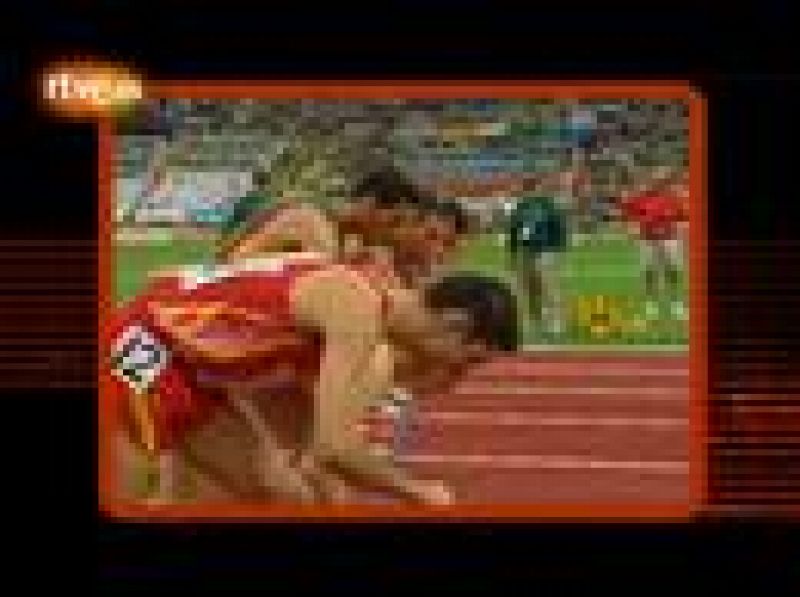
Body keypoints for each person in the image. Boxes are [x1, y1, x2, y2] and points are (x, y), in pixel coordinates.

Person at [109, 169, 512, 505]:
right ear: (453, 324)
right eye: (468, 359)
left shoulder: (361, 305)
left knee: (281, 493)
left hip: (194, 368)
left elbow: (309, 442)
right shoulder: (356, 307)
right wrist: (419, 492)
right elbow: (333, 447)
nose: (456, 372)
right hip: (146, 346)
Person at [616, 167, 688, 321]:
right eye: (656, 179)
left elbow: (682, 218)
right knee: (650, 272)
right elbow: (627, 216)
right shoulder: (641, 199)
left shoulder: (673, 198)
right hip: (647, 239)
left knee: (672, 271)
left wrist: (681, 231)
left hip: (670, 238)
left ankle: (676, 303)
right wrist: (631, 229)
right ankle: (651, 304)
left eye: (662, 179)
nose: (658, 182)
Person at [505, 172, 569, 338]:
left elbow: (559, 227)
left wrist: (559, 248)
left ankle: (557, 321)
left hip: (546, 250)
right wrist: (513, 253)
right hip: (527, 251)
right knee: (529, 288)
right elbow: (513, 231)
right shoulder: (521, 207)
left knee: (548, 285)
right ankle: (535, 322)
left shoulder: (548, 205)